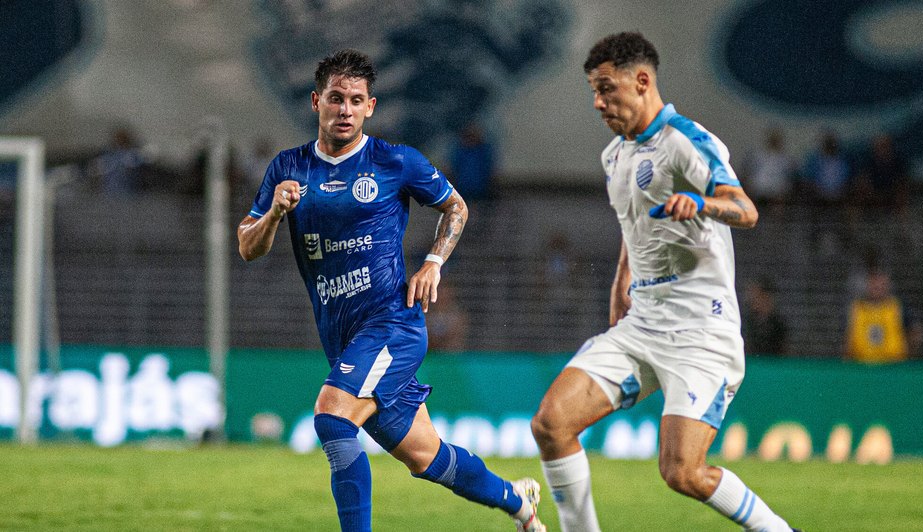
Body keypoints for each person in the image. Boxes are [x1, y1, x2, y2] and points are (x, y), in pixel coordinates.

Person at [237, 50, 544, 532]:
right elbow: (247, 247)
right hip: (343, 337)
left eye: (356, 100)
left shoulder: (394, 161)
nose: (345, 109)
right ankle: (520, 505)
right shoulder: (288, 168)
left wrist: (434, 262)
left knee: (333, 418)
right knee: (427, 457)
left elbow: (456, 207)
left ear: (370, 107)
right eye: (336, 98)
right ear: (316, 101)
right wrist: (274, 214)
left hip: (392, 325)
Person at [529, 33, 798, 532]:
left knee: (682, 472)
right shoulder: (615, 156)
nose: (597, 102)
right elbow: (634, 225)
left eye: (606, 89)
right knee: (551, 424)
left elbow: (746, 209)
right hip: (643, 324)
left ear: (641, 81)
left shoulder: (685, 141)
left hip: (701, 333)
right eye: (593, 91)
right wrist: (621, 280)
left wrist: (701, 203)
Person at [844, 269, 916, 363]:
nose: (877, 288)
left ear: (887, 286)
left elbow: (914, 332)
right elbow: (848, 336)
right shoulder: (856, 307)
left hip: (894, 364)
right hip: (862, 363)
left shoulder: (897, 306)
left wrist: (908, 355)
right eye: (874, 285)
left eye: (880, 285)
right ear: (868, 286)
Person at [741, 277, 789, 357]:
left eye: (756, 296)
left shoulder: (778, 324)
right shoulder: (748, 323)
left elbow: (784, 350)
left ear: (765, 296)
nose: (751, 300)